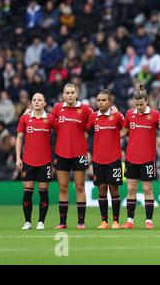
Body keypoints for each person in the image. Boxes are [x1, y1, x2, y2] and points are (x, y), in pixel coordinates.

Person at [121, 84, 160, 229]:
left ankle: (149, 221)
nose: (139, 107)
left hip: (148, 159)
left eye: (141, 104)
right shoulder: (129, 114)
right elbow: (123, 132)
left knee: (148, 190)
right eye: (137, 104)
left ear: (147, 101)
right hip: (131, 158)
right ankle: (130, 221)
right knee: (131, 190)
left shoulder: (154, 115)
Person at [52, 83, 93, 229]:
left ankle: (81, 222)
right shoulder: (57, 109)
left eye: (72, 92)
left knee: (79, 186)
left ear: (77, 94)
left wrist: (87, 132)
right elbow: (50, 123)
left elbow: (95, 122)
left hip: (79, 153)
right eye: (67, 93)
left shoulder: (86, 110)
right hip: (62, 153)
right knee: (63, 187)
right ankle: (62, 222)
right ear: (63, 95)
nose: (70, 95)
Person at [16, 93, 55, 230]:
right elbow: (19, 138)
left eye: (40, 100)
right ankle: (27, 222)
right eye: (34, 100)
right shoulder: (25, 118)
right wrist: (18, 158)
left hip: (45, 161)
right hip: (28, 161)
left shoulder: (50, 118)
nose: (37, 102)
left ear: (45, 103)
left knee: (43, 192)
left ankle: (41, 222)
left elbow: (62, 131)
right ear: (31, 103)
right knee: (28, 192)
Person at [86, 89, 124, 229]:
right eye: (99, 100)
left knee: (114, 190)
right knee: (101, 190)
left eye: (103, 100)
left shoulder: (117, 116)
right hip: (98, 159)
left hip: (114, 159)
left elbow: (126, 129)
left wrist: (115, 139)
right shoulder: (93, 117)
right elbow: (85, 131)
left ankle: (115, 221)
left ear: (110, 102)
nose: (100, 103)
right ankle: (104, 221)